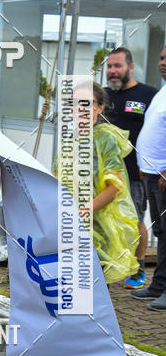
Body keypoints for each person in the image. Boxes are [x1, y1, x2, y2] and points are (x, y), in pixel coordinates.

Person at [57, 82, 139, 284]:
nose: (80, 108)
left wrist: (84, 211)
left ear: (99, 107)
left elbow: (114, 186)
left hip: (99, 227)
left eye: (87, 103)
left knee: (92, 286)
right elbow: (56, 176)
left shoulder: (106, 139)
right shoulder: (70, 139)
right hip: (71, 223)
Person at [103, 47, 158, 288]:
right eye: (110, 67)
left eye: (118, 66)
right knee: (102, 219)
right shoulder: (101, 96)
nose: (113, 72)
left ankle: (137, 271)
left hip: (136, 173)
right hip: (104, 174)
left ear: (131, 67)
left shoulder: (149, 95)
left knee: (134, 220)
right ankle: (106, 265)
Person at [132, 46, 166, 310]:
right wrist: (146, 163)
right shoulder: (162, 91)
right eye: (162, 57)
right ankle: (158, 286)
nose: (162, 63)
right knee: (161, 232)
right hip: (152, 174)